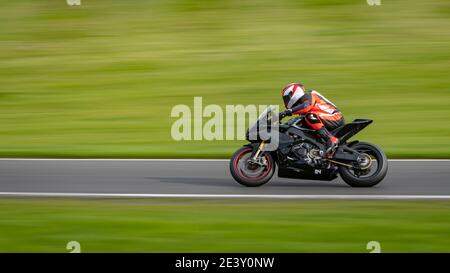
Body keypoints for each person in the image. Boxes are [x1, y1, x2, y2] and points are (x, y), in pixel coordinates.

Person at [279, 83, 344, 156]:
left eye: (286, 98)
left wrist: (286, 112)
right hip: (324, 119)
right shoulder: (301, 108)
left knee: (310, 116)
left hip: (335, 117)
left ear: (293, 93)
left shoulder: (309, 95)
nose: (286, 101)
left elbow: (306, 106)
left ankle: (331, 139)